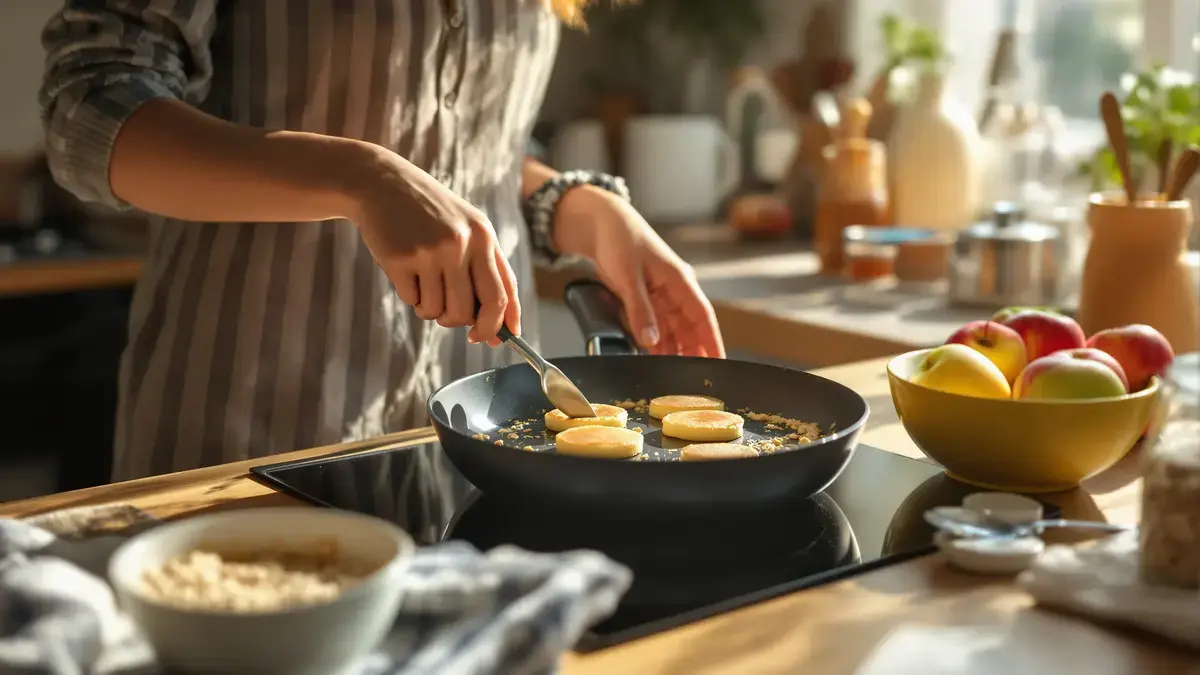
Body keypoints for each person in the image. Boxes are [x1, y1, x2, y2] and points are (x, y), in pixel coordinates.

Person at [40, 0, 724, 482]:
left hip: (466, 447)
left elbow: (475, 144)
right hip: (250, 435)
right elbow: (89, 108)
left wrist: (582, 207)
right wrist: (356, 175)